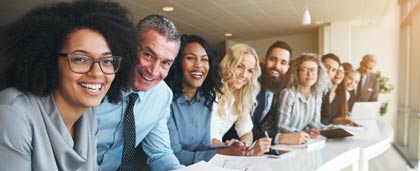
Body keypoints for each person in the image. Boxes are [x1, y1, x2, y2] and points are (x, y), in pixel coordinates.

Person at [0, 1, 137, 170]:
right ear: (49, 60)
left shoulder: (88, 115)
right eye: (80, 59)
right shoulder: (13, 113)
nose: (97, 72)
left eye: (107, 61)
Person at [96, 15, 183, 171]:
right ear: (130, 47)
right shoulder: (96, 80)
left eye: (165, 63)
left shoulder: (162, 95)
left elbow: (160, 153)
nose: (154, 71)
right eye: (148, 55)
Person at [166, 34, 248, 165]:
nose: (199, 65)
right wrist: (220, 152)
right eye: (190, 58)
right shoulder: (167, 101)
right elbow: (174, 155)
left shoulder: (206, 101)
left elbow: (203, 145)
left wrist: (230, 148)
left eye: (204, 60)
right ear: (178, 63)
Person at [211, 43, 271, 156]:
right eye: (239, 67)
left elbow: (247, 132)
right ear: (228, 65)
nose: (244, 75)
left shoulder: (240, 97)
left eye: (250, 71)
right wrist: (227, 147)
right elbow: (208, 137)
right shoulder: (211, 92)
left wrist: (243, 144)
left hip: (219, 153)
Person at [270, 54, 326, 145]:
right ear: (297, 72)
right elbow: (281, 126)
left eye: (313, 70)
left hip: (303, 142)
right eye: (304, 70)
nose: (310, 74)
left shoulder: (317, 96)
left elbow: (315, 123)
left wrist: (328, 129)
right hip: (284, 144)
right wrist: (304, 133)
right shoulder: (288, 94)